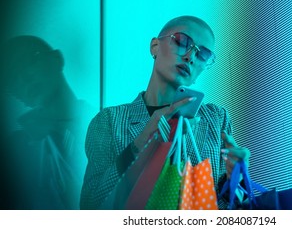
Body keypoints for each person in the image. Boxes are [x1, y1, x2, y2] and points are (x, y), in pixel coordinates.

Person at [80, 16, 250, 210]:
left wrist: (236, 179)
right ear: (155, 47)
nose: (190, 57)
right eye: (182, 41)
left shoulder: (216, 120)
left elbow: (231, 208)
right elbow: (90, 205)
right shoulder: (110, 121)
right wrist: (140, 144)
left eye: (203, 54)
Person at [1, 35, 92, 209]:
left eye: (32, 58)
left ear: (57, 59)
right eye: (13, 77)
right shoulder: (12, 152)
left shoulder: (111, 125)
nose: (24, 76)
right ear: (15, 95)